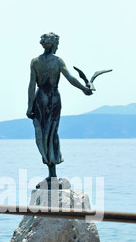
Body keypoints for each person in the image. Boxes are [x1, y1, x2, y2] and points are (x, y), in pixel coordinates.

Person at [27, 33, 92, 179]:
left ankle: (51, 172)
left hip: (40, 98)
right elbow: (70, 77)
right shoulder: (57, 61)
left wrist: (30, 106)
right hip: (53, 98)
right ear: (54, 44)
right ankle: (52, 172)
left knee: (44, 133)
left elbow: (32, 85)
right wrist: (84, 88)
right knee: (52, 133)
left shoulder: (35, 61)